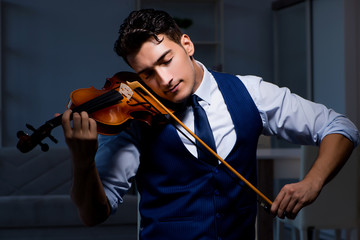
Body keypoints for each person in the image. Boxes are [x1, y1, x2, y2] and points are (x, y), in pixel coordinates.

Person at [61, 8, 359, 240]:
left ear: (187, 44)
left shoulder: (251, 92)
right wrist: (83, 161)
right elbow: (93, 215)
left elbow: (339, 126)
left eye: (166, 60)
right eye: (148, 74)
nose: (163, 80)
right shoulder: (134, 118)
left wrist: (312, 182)